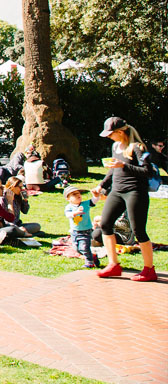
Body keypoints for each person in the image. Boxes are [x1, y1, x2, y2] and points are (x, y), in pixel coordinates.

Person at [93, 117, 157, 282]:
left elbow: (148, 171)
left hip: (135, 192)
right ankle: (113, 264)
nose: (108, 137)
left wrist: (124, 166)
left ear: (120, 132)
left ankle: (149, 269)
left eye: (110, 134)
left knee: (138, 230)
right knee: (106, 224)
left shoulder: (138, 148)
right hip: (117, 191)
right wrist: (101, 186)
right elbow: (113, 171)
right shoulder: (116, 146)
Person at [64, 186, 101, 269]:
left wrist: (96, 195)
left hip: (86, 231)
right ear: (68, 199)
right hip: (74, 231)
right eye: (74, 194)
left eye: (78, 193)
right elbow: (68, 215)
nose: (78, 195)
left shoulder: (85, 204)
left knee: (84, 247)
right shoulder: (69, 207)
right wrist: (76, 212)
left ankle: (89, 262)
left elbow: (94, 201)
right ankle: (93, 256)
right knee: (77, 248)